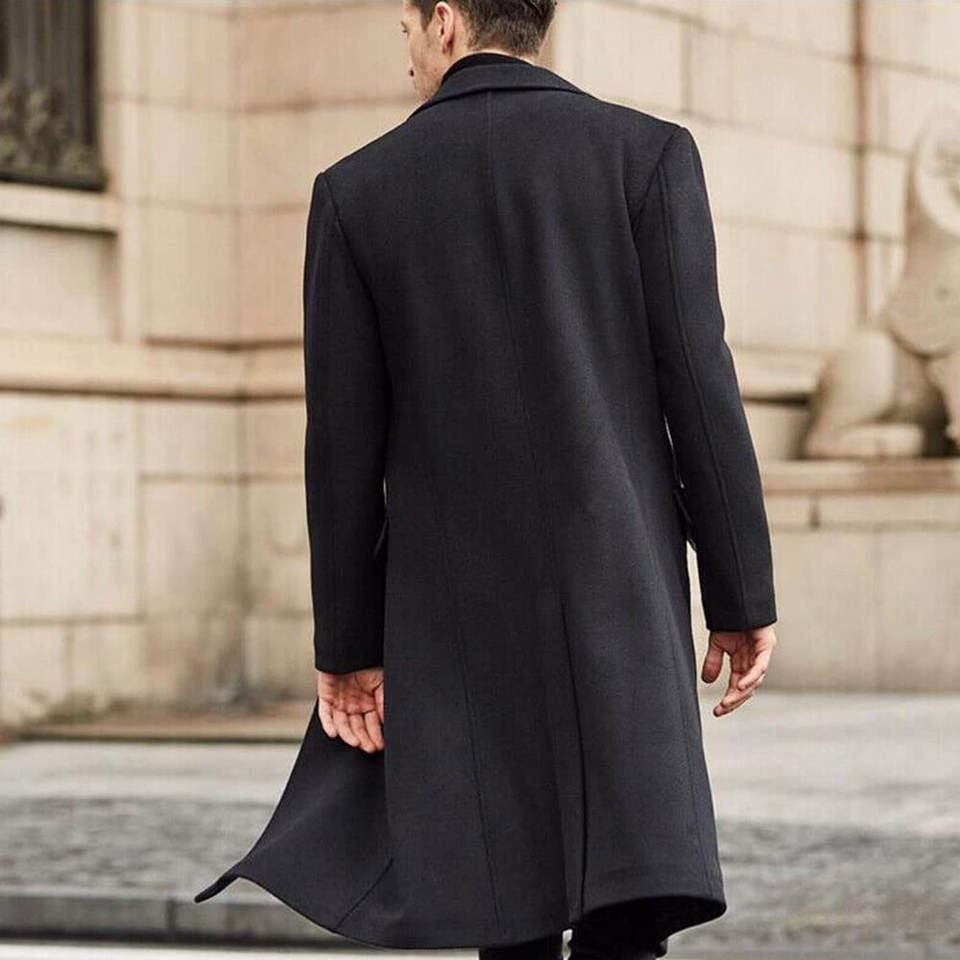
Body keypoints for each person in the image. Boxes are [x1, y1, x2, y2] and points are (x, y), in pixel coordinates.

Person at [193, 1, 779, 957]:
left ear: (446, 23)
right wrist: (741, 591)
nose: (408, 61)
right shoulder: (646, 156)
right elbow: (701, 387)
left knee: (505, 907)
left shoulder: (357, 191)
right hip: (619, 595)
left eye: (407, 35)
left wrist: (347, 646)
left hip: (455, 621)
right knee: (629, 905)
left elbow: (341, 450)